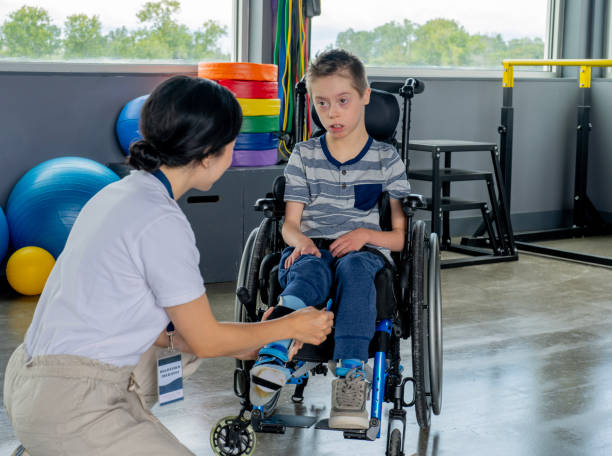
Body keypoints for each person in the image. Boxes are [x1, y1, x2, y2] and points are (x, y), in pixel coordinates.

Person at [2, 75, 333, 456]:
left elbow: (174, 332)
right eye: (231, 145)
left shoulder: (117, 192)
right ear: (209, 154)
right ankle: (64, 444)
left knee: (183, 346)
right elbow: (208, 341)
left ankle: (55, 444)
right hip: (72, 403)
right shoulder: (161, 221)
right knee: (197, 343)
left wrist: (251, 341)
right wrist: (292, 324)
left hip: (29, 379)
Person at [248, 49, 411, 430]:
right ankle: (276, 348)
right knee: (310, 267)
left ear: (365, 96)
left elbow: (401, 238)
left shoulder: (387, 159)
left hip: (366, 251)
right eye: (322, 103)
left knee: (354, 267)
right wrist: (300, 241)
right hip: (313, 244)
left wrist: (366, 234)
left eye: (343, 101)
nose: (332, 112)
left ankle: (351, 373)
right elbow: (290, 224)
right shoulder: (304, 155)